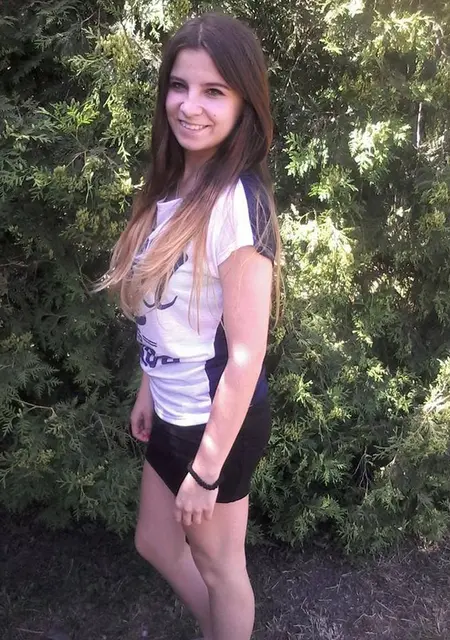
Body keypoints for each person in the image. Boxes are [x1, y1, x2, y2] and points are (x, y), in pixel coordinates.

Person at [96, 12, 281, 640]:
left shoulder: (237, 202)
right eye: (179, 85)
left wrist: (206, 472)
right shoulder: (174, 183)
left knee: (221, 567)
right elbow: (170, 310)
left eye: (213, 91)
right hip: (172, 405)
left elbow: (246, 353)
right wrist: (148, 386)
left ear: (244, 103)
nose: (189, 105)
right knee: (155, 540)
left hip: (214, 422)